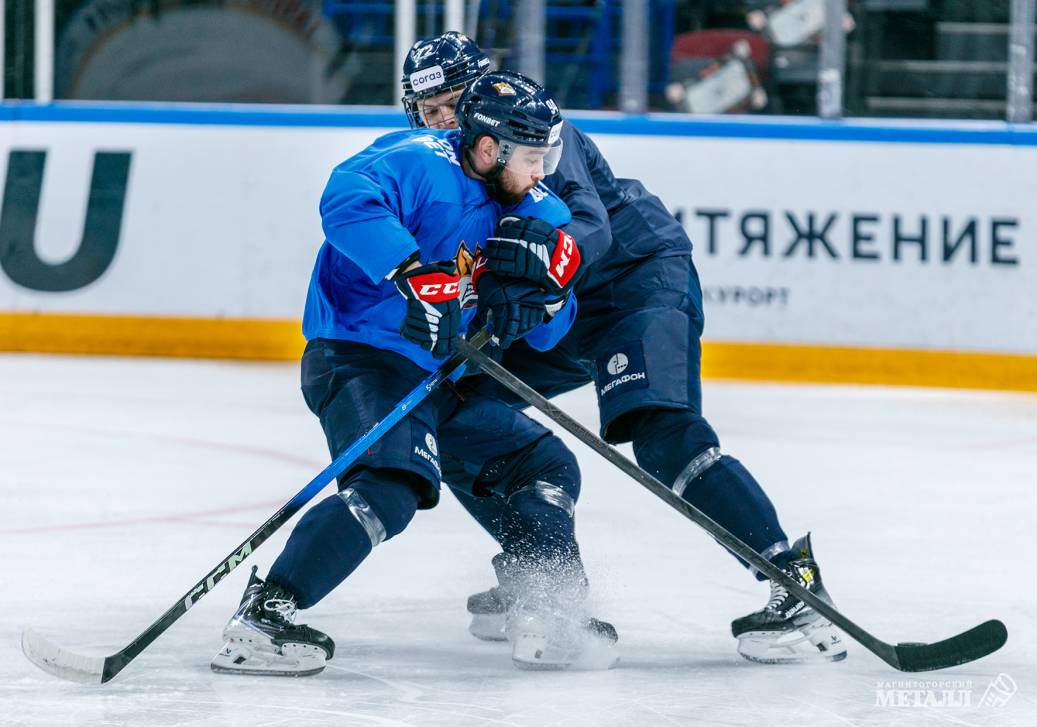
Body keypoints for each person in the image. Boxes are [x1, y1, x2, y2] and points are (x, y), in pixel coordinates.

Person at [400, 31, 846, 665]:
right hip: (559, 310)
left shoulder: (535, 129)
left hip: (634, 282)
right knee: (450, 411)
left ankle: (789, 580)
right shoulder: (445, 165)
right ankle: (538, 567)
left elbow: (589, 222)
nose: (443, 120)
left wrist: (552, 260)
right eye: (429, 110)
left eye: (452, 102)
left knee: (661, 430)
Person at [211, 70, 617, 676]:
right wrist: (411, 272)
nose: (543, 171)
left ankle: (546, 605)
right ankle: (266, 614)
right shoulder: (417, 161)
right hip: (359, 357)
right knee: (390, 484)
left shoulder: (538, 208)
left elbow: (556, 324)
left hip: (438, 381)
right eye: (534, 157)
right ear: (488, 148)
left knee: (544, 465)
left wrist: (544, 301)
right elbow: (346, 198)